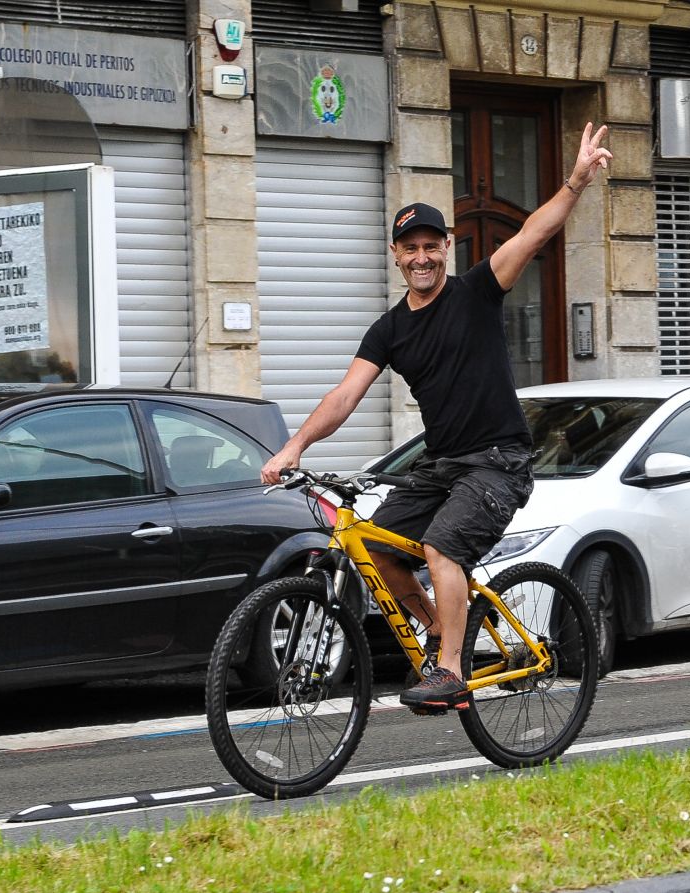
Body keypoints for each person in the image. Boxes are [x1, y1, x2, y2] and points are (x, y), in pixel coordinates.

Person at [261, 123, 613, 712]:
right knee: (376, 549)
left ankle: (451, 669)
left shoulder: (478, 291)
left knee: (443, 548)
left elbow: (533, 232)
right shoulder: (391, 329)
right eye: (410, 248)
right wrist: (293, 446)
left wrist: (576, 181)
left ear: (446, 247)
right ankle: (439, 633)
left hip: (499, 463)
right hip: (443, 465)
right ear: (396, 256)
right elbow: (346, 394)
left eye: (431, 246)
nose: (421, 257)